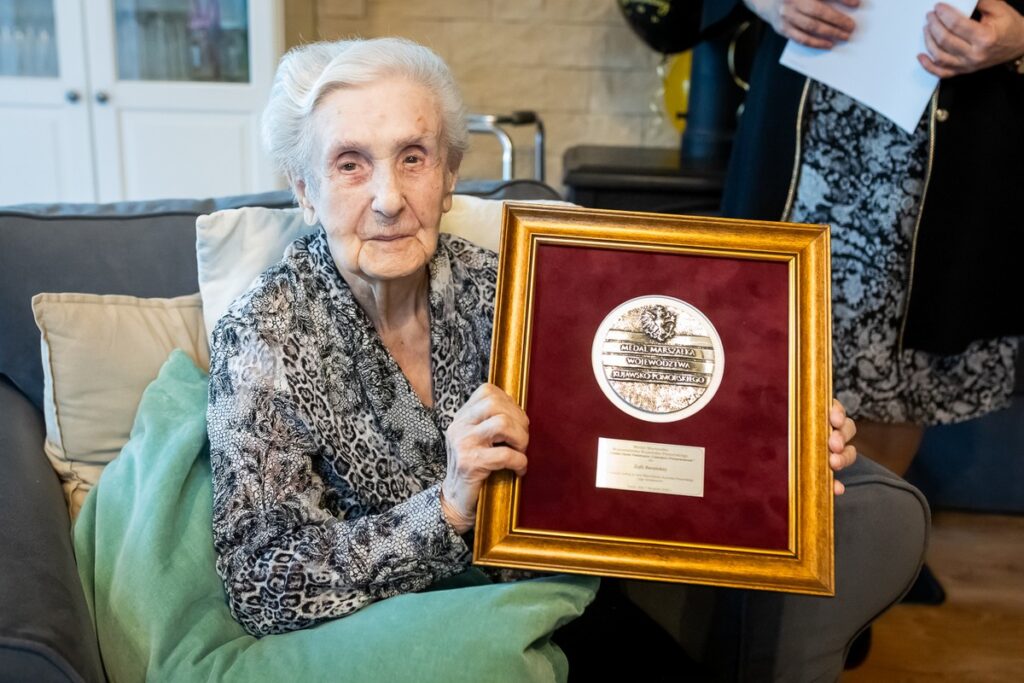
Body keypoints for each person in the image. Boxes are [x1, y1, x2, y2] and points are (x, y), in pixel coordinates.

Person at [206, 36, 859, 641]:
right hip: (398, 634)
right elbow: (265, 583)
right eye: (350, 164)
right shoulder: (264, 339)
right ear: (305, 191)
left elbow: (648, 406)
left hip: (551, 601)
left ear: (450, 174)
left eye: (414, 157)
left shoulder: (517, 287)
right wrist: (448, 507)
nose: (388, 199)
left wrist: (780, 444)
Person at [704, 0, 1024, 476]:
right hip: (805, 114)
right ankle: (761, 538)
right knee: (751, 348)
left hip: (942, 134)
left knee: (893, 372)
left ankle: (871, 543)